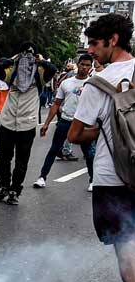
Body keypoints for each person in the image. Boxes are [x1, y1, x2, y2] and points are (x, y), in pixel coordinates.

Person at [69, 13, 135, 282]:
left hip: (113, 181)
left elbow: (74, 134)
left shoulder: (98, 83)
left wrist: (100, 131)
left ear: (113, 40)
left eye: (95, 44)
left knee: (127, 256)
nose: (90, 52)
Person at [0, 42, 57, 205]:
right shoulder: (12, 71)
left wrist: (40, 61)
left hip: (27, 122)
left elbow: (53, 70)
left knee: (22, 160)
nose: (26, 59)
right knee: (4, 158)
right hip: (8, 120)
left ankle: (15, 190)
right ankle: (4, 186)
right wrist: (13, 60)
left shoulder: (40, 73)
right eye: (23, 54)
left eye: (30, 55)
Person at [34, 54, 96, 190]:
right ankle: (42, 177)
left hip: (83, 124)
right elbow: (56, 104)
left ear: (90, 67)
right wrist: (46, 123)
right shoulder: (66, 83)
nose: (84, 67)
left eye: (87, 65)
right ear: (78, 64)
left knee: (89, 153)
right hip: (65, 120)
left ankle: (92, 180)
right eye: (82, 64)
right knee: (54, 149)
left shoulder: (93, 84)